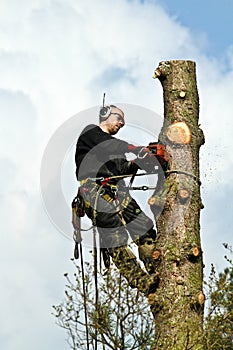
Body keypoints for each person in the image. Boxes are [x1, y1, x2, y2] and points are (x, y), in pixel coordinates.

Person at [75, 104, 163, 295]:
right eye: (119, 118)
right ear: (106, 115)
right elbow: (109, 144)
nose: (122, 123)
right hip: (95, 191)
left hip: (118, 192)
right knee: (115, 239)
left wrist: (142, 162)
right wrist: (135, 149)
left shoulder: (112, 149)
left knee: (145, 229)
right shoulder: (91, 134)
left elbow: (121, 167)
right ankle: (142, 282)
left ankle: (158, 272)